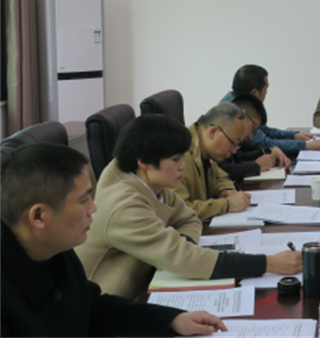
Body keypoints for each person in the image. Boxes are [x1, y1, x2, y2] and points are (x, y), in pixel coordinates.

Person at [0, 143, 227, 337]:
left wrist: (171, 320)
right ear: (39, 216)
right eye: (83, 200)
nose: (93, 208)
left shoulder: (53, 247)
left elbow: (92, 308)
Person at [76, 115, 302, 300]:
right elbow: (186, 259)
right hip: (106, 309)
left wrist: (183, 246)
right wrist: (269, 263)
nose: (183, 166)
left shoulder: (151, 181)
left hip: (146, 287)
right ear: (143, 161)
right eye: (175, 159)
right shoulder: (123, 206)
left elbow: (189, 218)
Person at [221, 64, 320, 154]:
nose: (266, 92)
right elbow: (264, 143)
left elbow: (263, 130)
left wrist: (292, 135)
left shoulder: (235, 100)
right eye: (266, 88)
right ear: (254, 92)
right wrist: (305, 145)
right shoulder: (236, 111)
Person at [175, 102, 253, 221]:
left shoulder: (206, 149)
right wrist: (226, 205)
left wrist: (225, 190)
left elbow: (221, 177)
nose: (234, 151)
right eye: (233, 144)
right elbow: (178, 211)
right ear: (213, 132)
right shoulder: (178, 157)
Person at [218, 94, 291, 182]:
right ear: (242, 115)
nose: (251, 136)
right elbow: (223, 170)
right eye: (253, 129)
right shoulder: (219, 133)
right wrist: (257, 166)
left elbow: (239, 157)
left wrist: (269, 150)